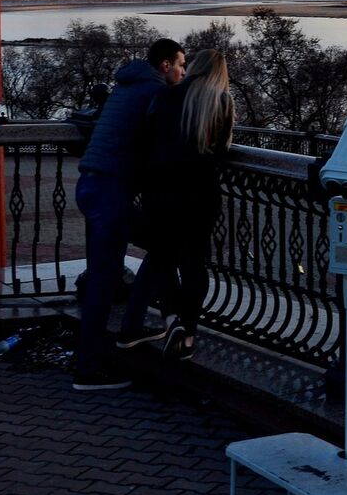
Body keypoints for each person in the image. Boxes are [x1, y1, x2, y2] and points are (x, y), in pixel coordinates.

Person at [72, 37, 185, 391]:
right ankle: (87, 371)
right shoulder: (154, 92)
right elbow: (166, 139)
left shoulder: (126, 87)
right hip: (110, 192)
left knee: (162, 245)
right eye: (181, 65)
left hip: (91, 185)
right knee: (102, 285)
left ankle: (145, 324)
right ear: (165, 65)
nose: (183, 73)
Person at [118, 48, 235, 360]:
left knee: (163, 258)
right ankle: (187, 333)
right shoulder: (221, 102)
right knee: (195, 266)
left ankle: (171, 321)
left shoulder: (166, 97)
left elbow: (146, 143)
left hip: (159, 194)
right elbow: (221, 152)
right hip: (199, 195)